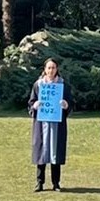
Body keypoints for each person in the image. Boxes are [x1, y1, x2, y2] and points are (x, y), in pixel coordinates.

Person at [28, 57, 69, 191]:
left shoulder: (62, 84)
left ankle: (56, 183)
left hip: (57, 123)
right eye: (49, 68)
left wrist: (66, 105)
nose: (51, 70)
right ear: (45, 70)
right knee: (42, 152)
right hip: (42, 123)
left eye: (54, 68)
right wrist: (35, 105)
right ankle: (39, 182)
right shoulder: (38, 85)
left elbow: (70, 102)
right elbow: (30, 102)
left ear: (57, 70)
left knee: (55, 152)